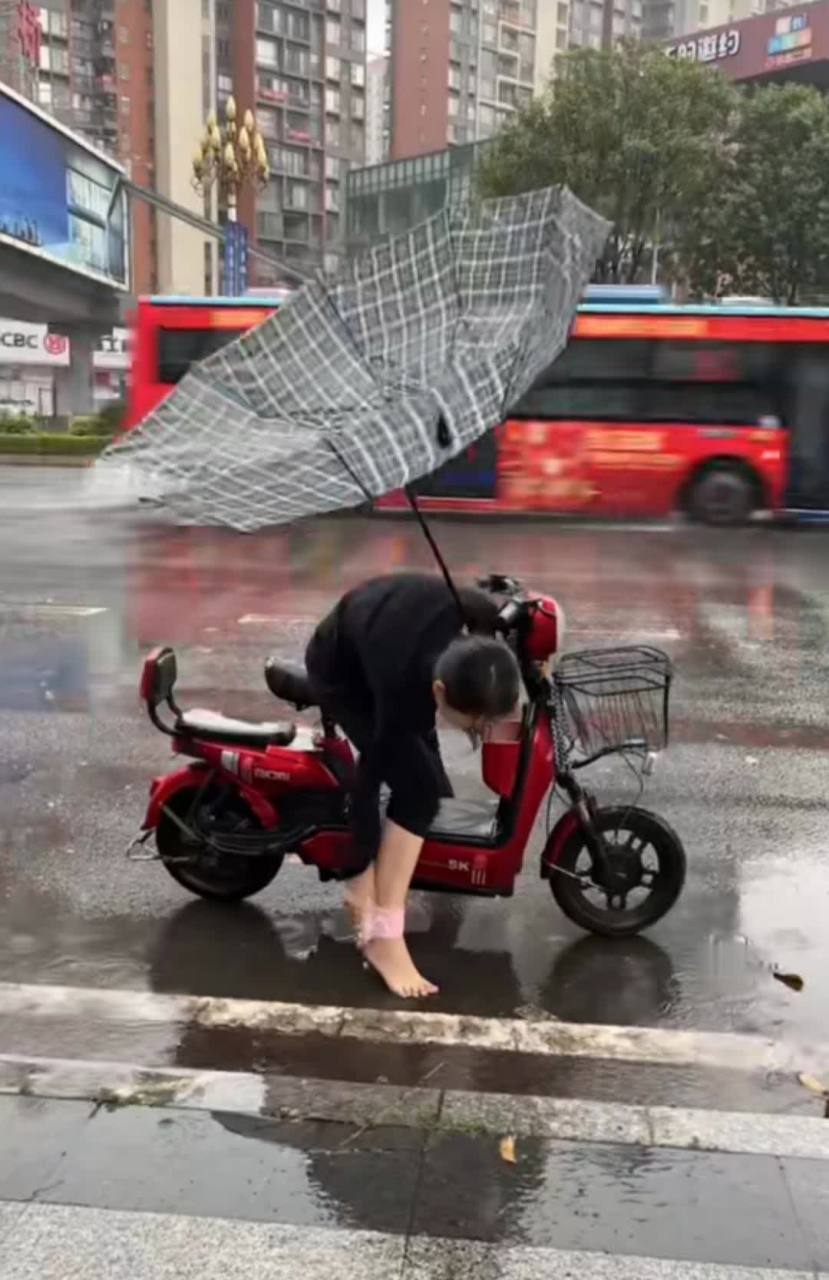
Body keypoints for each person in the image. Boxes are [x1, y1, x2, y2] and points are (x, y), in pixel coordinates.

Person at [305, 572, 520, 999]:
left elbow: (512, 610)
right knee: (419, 791)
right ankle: (383, 937)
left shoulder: (478, 616)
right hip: (344, 671)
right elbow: (367, 780)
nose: (480, 731)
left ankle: (408, 858)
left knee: (431, 781)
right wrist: (358, 874)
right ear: (438, 690)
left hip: (388, 623)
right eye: (474, 724)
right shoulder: (402, 688)